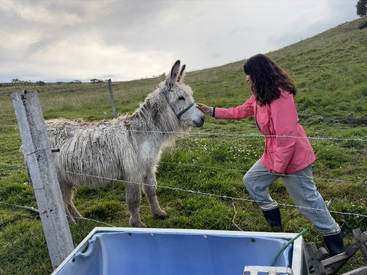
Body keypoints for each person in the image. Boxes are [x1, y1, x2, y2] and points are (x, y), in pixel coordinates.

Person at [197, 53, 344, 257]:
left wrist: (279, 168)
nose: (246, 78)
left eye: (248, 74)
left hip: (293, 159)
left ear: (258, 73)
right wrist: (212, 110)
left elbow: (287, 138)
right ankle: (275, 225)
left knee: (308, 202)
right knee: (253, 181)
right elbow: (240, 111)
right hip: (274, 155)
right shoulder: (260, 95)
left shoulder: (281, 97)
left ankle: (337, 247)